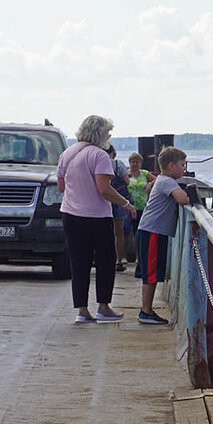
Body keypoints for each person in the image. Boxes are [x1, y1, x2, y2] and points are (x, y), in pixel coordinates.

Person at [56, 116, 138, 324]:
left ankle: (82, 310)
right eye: (108, 134)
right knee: (105, 261)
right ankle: (103, 306)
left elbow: (61, 187)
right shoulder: (99, 155)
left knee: (79, 262)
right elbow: (104, 189)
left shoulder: (67, 153)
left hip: (70, 214)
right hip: (95, 216)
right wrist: (126, 203)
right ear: (101, 134)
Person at [135, 147, 190, 325]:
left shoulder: (162, 180)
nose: (184, 169)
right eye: (182, 165)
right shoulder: (167, 181)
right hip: (153, 232)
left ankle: (146, 309)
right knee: (150, 274)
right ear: (171, 165)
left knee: (150, 273)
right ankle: (146, 311)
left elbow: (148, 190)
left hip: (150, 230)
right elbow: (183, 199)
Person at [126, 152, 156, 257]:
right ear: (129, 163)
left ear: (141, 163)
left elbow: (158, 180)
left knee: (139, 232)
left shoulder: (144, 173)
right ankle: (127, 256)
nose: (134, 164)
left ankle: (140, 256)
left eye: (137, 162)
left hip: (143, 207)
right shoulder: (126, 174)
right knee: (126, 232)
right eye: (132, 162)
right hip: (129, 207)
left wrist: (149, 184)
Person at [107, 145, 131, 272]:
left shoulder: (99, 162)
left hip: (104, 201)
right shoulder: (118, 164)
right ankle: (119, 259)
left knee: (105, 232)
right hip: (118, 200)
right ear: (113, 152)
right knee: (119, 233)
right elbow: (127, 182)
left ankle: (105, 258)